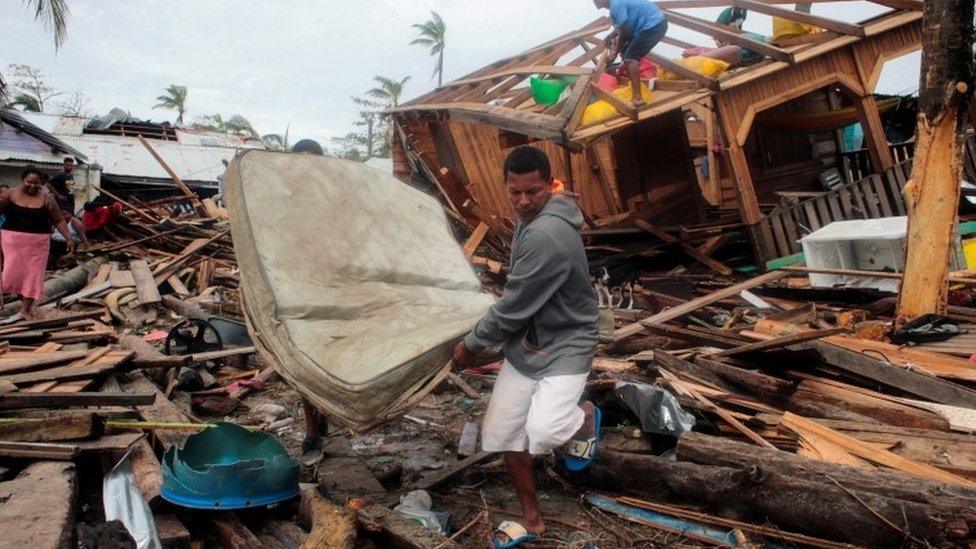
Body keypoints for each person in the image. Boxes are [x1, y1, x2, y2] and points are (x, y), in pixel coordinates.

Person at [452, 146, 599, 548]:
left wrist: (471, 344)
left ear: (549, 186)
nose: (522, 201)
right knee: (502, 433)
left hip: (569, 338)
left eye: (532, 192)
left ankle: (585, 417)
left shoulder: (548, 233)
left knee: (545, 430)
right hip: (530, 341)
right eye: (514, 192)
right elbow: (519, 301)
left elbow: (514, 306)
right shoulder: (527, 219)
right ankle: (530, 516)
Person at [0, 166, 74, 319]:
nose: (32, 186)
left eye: (36, 183)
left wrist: (68, 238)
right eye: (29, 182)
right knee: (9, 272)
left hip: (37, 243)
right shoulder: (10, 194)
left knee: (33, 275)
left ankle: (25, 310)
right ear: (23, 179)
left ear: (41, 183)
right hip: (12, 241)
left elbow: (59, 220)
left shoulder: (47, 199)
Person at [594, 0, 668, 108]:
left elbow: (625, 31)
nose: (594, 2)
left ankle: (637, 98)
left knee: (629, 57)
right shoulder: (615, 6)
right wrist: (611, 36)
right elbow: (621, 28)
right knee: (626, 53)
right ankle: (637, 92)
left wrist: (615, 54)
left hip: (652, 25)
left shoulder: (616, 4)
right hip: (655, 23)